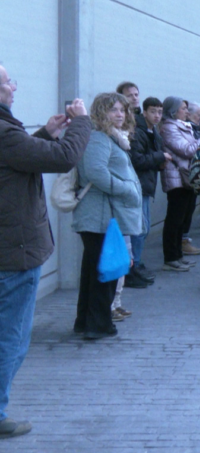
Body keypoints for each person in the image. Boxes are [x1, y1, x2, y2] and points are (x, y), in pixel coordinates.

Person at [0, 66, 91, 439]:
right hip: (13, 254)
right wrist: (81, 123)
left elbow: (15, 162)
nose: (13, 86)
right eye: (5, 81)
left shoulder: (8, 134)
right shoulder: (4, 132)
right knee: (11, 338)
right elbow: (64, 158)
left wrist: (45, 134)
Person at [73, 92, 143, 340]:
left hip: (105, 216)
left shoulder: (113, 138)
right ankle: (98, 324)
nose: (120, 114)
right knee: (106, 271)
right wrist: (125, 189)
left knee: (96, 270)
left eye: (123, 110)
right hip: (99, 216)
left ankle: (87, 322)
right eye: (113, 109)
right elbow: (96, 171)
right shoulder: (99, 138)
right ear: (101, 112)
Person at [128, 96, 171, 286]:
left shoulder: (152, 131)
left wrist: (160, 160)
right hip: (139, 185)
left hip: (146, 184)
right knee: (139, 228)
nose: (157, 115)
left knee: (142, 228)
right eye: (153, 111)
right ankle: (133, 266)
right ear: (144, 112)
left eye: (160, 112)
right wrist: (160, 156)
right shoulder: (139, 131)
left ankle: (136, 263)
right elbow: (138, 159)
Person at [160, 96, 200, 272]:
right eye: (183, 108)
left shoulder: (182, 126)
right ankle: (170, 258)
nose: (186, 112)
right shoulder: (170, 128)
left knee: (182, 219)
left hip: (186, 177)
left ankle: (178, 256)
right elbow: (187, 150)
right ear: (173, 111)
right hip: (177, 178)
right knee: (174, 219)